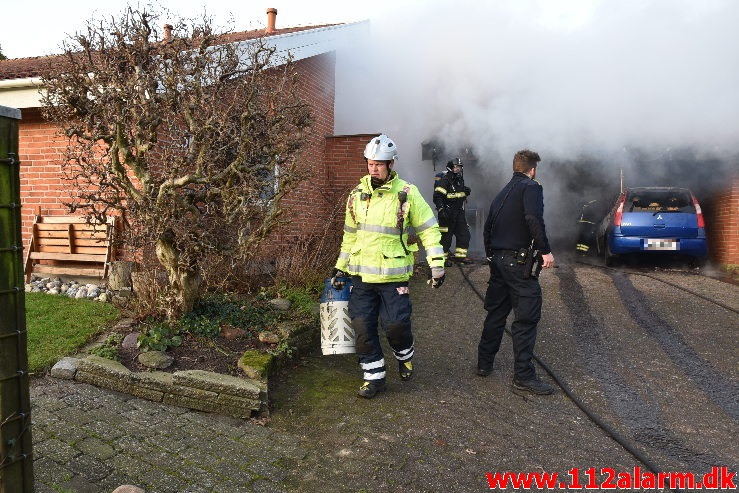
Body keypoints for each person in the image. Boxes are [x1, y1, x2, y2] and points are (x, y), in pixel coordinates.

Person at [331, 134, 447, 399]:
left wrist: (436, 264)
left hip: (394, 278)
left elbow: (429, 230)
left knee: (396, 327)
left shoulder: (407, 193)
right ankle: (374, 379)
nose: (374, 168)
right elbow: (350, 235)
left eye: (379, 164)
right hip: (361, 277)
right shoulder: (356, 196)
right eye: (370, 163)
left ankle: (404, 356)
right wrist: (341, 267)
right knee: (363, 331)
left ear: (391, 164)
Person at [477, 149, 556, 395]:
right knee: (526, 318)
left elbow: (487, 228)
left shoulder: (501, 194)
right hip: (517, 264)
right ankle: (524, 376)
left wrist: (492, 258)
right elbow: (533, 218)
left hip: (499, 260)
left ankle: (484, 364)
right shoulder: (531, 188)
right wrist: (545, 251)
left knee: (496, 314)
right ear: (532, 170)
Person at [433, 157, 472, 264]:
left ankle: (460, 257)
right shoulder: (445, 180)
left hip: (458, 212)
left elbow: (458, 194)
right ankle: (442, 259)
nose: (458, 169)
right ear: (450, 168)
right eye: (456, 167)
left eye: (460, 167)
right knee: (446, 238)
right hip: (447, 213)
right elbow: (437, 196)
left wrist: (465, 191)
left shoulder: (459, 180)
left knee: (464, 235)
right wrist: (441, 210)